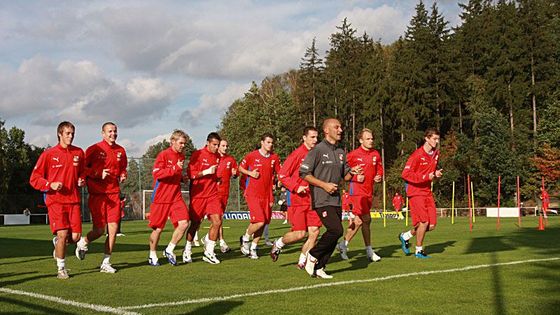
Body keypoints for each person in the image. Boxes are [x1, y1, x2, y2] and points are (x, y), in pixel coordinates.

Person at [299, 118, 361, 279]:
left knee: (335, 234)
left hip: (336, 200)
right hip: (321, 199)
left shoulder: (341, 152)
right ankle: (312, 255)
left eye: (341, 127)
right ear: (327, 130)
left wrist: (353, 172)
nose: (340, 130)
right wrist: (324, 185)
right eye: (337, 127)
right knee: (336, 230)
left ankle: (320, 267)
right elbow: (304, 173)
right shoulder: (317, 150)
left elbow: (345, 176)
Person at [29, 121, 86, 279]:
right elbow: (34, 179)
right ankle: (61, 268)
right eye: (68, 133)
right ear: (60, 134)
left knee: (74, 237)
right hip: (56, 201)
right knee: (62, 234)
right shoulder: (49, 154)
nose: (71, 136)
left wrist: (82, 180)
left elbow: (83, 173)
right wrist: (50, 184)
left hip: (73, 200)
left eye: (73, 133)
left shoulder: (79, 153)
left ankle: (58, 245)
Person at [76, 122, 127, 273]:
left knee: (113, 230)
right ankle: (83, 242)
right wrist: (98, 173)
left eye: (115, 131)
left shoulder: (121, 150)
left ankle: (106, 262)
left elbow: (123, 168)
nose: (113, 134)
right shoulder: (94, 149)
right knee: (99, 230)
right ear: (103, 133)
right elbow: (84, 169)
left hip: (113, 194)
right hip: (97, 195)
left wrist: (123, 174)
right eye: (110, 131)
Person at [270, 126, 322, 269]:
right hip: (298, 200)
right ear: (304, 138)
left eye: (317, 137)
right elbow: (282, 175)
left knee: (314, 232)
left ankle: (303, 260)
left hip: (314, 200)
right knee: (300, 234)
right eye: (312, 137)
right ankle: (279, 243)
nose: (315, 140)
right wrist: (296, 187)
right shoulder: (297, 154)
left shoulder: (318, 154)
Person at [337, 128, 383, 262]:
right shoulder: (353, 155)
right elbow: (343, 172)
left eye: (372, 138)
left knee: (363, 221)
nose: (371, 141)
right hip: (356, 192)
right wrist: (356, 178)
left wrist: (379, 176)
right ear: (361, 140)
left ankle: (344, 244)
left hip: (368, 192)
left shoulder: (376, 154)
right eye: (368, 139)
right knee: (362, 220)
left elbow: (379, 168)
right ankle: (368, 250)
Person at [147, 130, 190, 266]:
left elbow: (176, 173)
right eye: (181, 143)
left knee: (184, 223)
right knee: (158, 229)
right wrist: (174, 170)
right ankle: (152, 254)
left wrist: (182, 178)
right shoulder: (163, 155)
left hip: (175, 196)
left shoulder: (182, 156)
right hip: (161, 197)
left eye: (184, 143)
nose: (183, 145)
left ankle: (169, 249)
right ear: (172, 141)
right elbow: (157, 174)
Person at [398, 128, 442, 258]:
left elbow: (430, 173)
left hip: (427, 192)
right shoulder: (416, 155)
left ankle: (405, 236)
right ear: (427, 139)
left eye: (438, 139)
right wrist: (425, 177)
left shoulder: (436, 154)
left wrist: (436, 174)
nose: (437, 141)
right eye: (434, 138)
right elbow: (405, 174)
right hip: (415, 191)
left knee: (432, 225)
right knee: (424, 222)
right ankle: (419, 250)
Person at [239, 133, 281, 259]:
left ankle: (253, 248)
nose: (270, 145)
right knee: (260, 221)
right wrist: (250, 173)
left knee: (263, 223)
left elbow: (280, 173)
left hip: (267, 195)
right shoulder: (252, 155)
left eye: (272, 142)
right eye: (268, 142)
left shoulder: (274, 157)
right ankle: (245, 238)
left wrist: (280, 181)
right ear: (262, 142)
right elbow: (240, 168)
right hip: (253, 193)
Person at [183, 132, 222, 264]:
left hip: (212, 195)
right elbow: (190, 174)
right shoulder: (197, 155)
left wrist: (217, 178)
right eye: (214, 145)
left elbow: (215, 174)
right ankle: (187, 250)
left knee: (217, 222)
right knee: (195, 224)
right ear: (207, 143)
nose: (216, 147)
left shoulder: (218, 156)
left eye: (218, 145)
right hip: (198, 195)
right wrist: (206, 172)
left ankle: (209, 252)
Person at [216, 139, 238, 252]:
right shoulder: (213, 158)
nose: (225, 148)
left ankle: (211, 240)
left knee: (219, 219)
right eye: (223, 146)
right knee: (217, 218)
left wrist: (234, 174)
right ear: (218, 146)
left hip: (225, 193)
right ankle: (221, 242)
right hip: (213, 193)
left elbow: (236, 173)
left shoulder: (230, 159)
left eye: (227, 146)